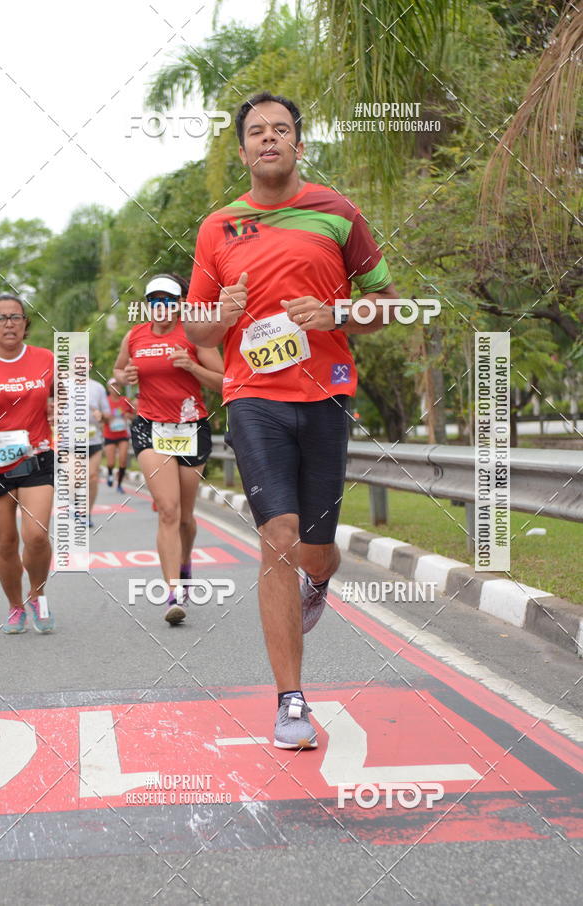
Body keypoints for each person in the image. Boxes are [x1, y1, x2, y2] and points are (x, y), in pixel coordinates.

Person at [186, 91, 400, 749]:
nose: (269, 139)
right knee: (276, 537)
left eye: (281, 130)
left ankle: (318, 581)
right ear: (243, 148)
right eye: (257, 131)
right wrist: (223, 313)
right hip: (254, 398)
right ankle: (291, 702)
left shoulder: (338, 213)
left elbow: (392, 305)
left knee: (316, 548)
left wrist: (339, 315)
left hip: (328, 396)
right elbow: (196, 328)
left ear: (299, 144)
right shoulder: (217, 227)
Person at [113, 273, 224, 625]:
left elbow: (225, 381)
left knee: (186, 519)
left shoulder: (196, 335)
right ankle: (174, 592)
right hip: (150, 427)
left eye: (168, 300)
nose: (161, 307)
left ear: (180, 304)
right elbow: (117, 373)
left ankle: (185, 563)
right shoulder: (135, 336)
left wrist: (192, 366)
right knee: (168, 510)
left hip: (191, 427)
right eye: (155, 300)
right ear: (148, 305)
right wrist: (124, 378)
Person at [0, 292, 55, 633]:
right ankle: (15, 606)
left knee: (37, 535)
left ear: (26, 324)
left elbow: (67, 401)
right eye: (1, 318)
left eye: (16, 317)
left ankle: (38, 595)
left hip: (36, 456)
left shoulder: (47, 358)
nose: (9, 323)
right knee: (6, 541)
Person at [88, 363, 110, 528]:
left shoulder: (98, 387)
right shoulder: (62, 385)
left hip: (93, 439)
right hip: (69, 442)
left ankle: (86, 513)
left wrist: (101, 415)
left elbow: (108, 415)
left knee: (92, 477)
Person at [103, 378, 134, 493]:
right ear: (109, 388)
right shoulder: (105, 401)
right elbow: (100, 418)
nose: (115, 388)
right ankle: (110, 473)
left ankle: (119, 484)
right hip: (109, 434)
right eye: (113, 386)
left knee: (123, 460)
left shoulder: (126, 400)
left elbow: (133, 415)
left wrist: (127, 416)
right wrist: (106, 417)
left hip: (123, 435)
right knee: (111, 462)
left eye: (117, 386)